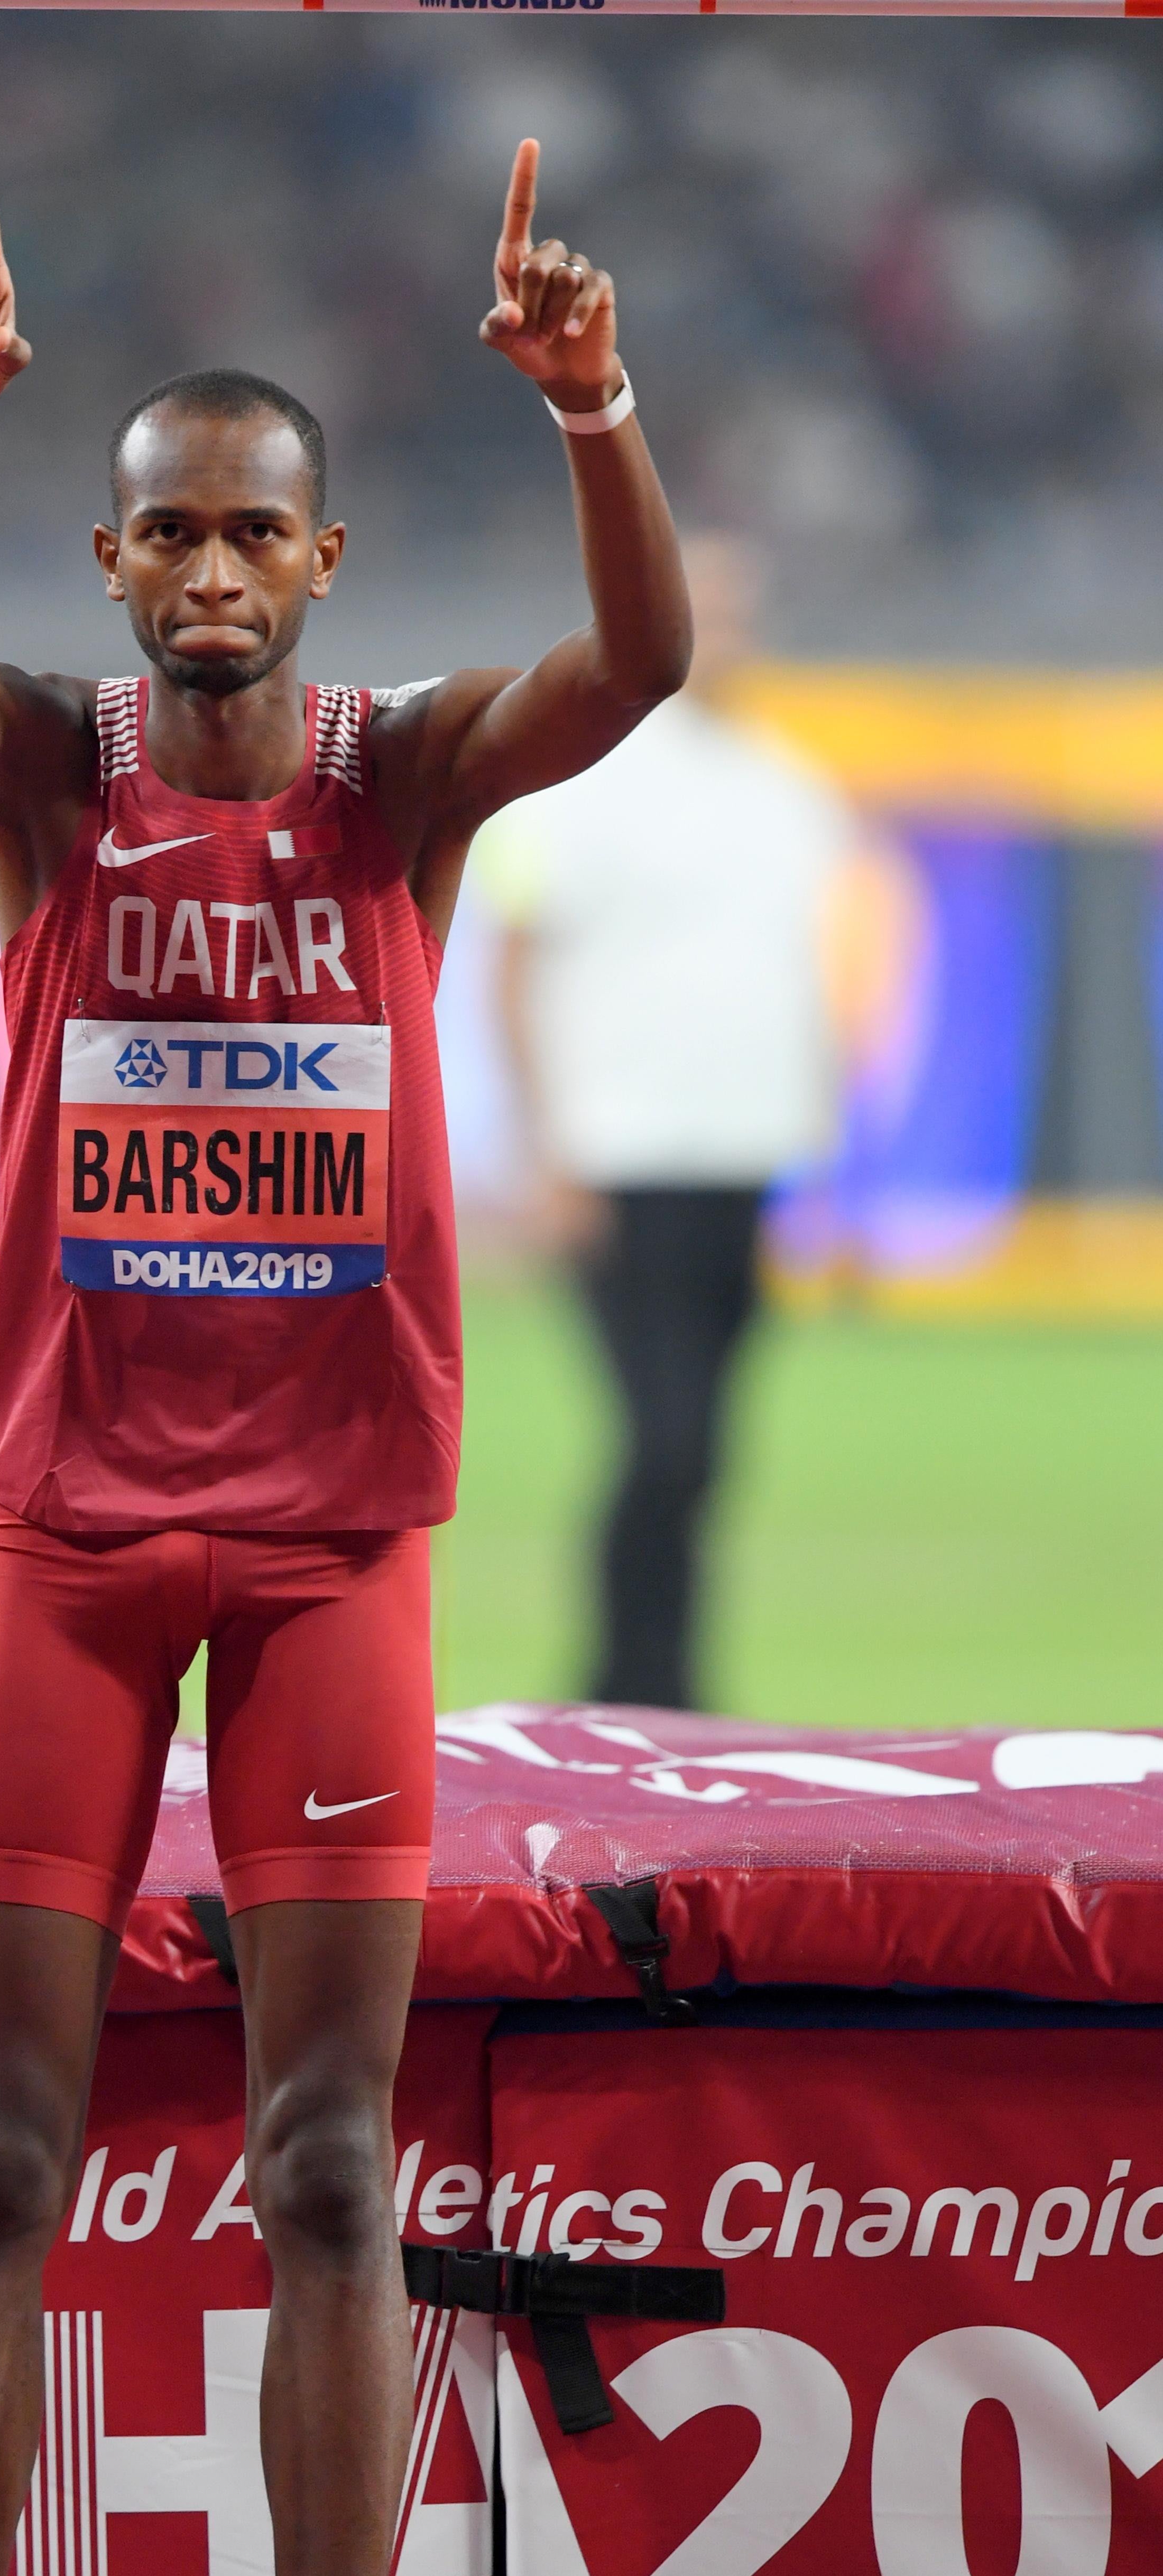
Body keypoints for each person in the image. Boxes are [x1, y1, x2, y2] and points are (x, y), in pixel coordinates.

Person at [0, 149, 688, 2576]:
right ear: (120, 554)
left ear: (317, 557)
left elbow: (643, 663)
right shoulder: (55, 781)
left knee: (332, 2176)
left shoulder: (396, 784)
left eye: (250, 526)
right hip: (65, 1550)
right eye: (161, 524)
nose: (207, 565)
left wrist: (595, 407)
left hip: (329, 1563)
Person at [470, 538, 848, 1712]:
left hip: (742, 1159)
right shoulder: (575, 784)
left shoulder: (788, 789)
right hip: (617, 1158)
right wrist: (542, 1151)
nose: (721, 636)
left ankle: (669, 1691)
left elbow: (800, 981)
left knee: (703, 1452)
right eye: (703, 612)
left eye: (736, 613)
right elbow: (515, 968)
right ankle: (628, 1687)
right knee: (665, 1437)